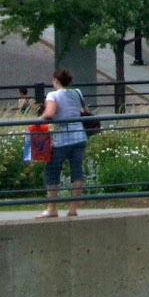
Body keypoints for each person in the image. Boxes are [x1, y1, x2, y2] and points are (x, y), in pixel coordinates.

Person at [37, 68, 88, 219]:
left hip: (62, 139)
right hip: (79, 136)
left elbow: (50, 113)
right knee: (76, 172)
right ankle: (73, 209)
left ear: (55, 81)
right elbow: (83, 110)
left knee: (52, 171)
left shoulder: (53, 95)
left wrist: (39, 120)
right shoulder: (77, 92)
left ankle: (52, 208)